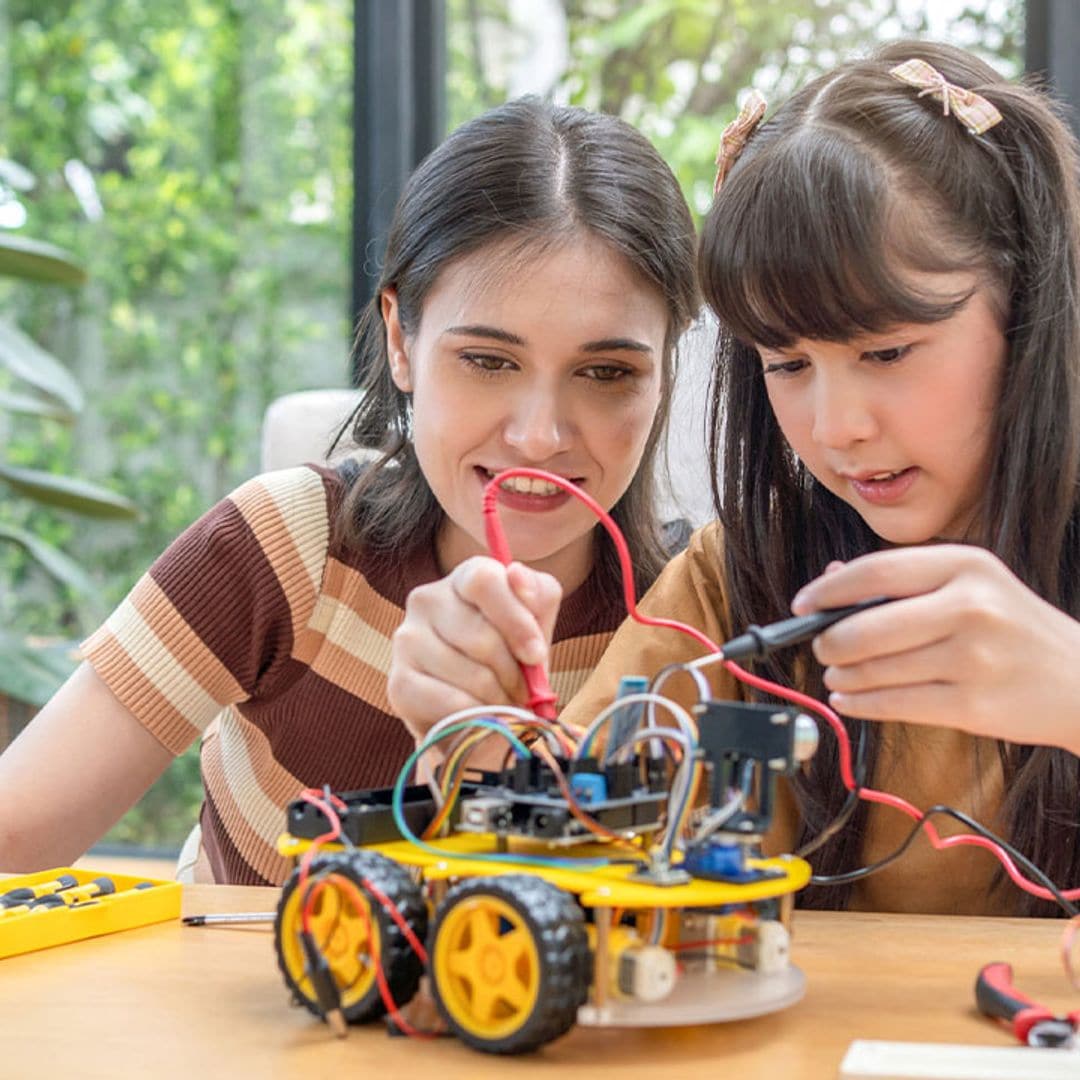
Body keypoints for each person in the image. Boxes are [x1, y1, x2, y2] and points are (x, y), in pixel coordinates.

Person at [388, 41, 1080, 917]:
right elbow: (568, 873)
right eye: (788, 364)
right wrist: (475, 732)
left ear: (1027, 311)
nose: (836, 428)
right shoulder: (737, 582)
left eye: (888, 351)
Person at [0, 98, 698, 884]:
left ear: (666, 370)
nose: (539, 437)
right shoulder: (285, 543)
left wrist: (485, 759)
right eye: (488, 361)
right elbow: (14, 836)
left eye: (606, 373)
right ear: (402, 340)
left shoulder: (694, 620)